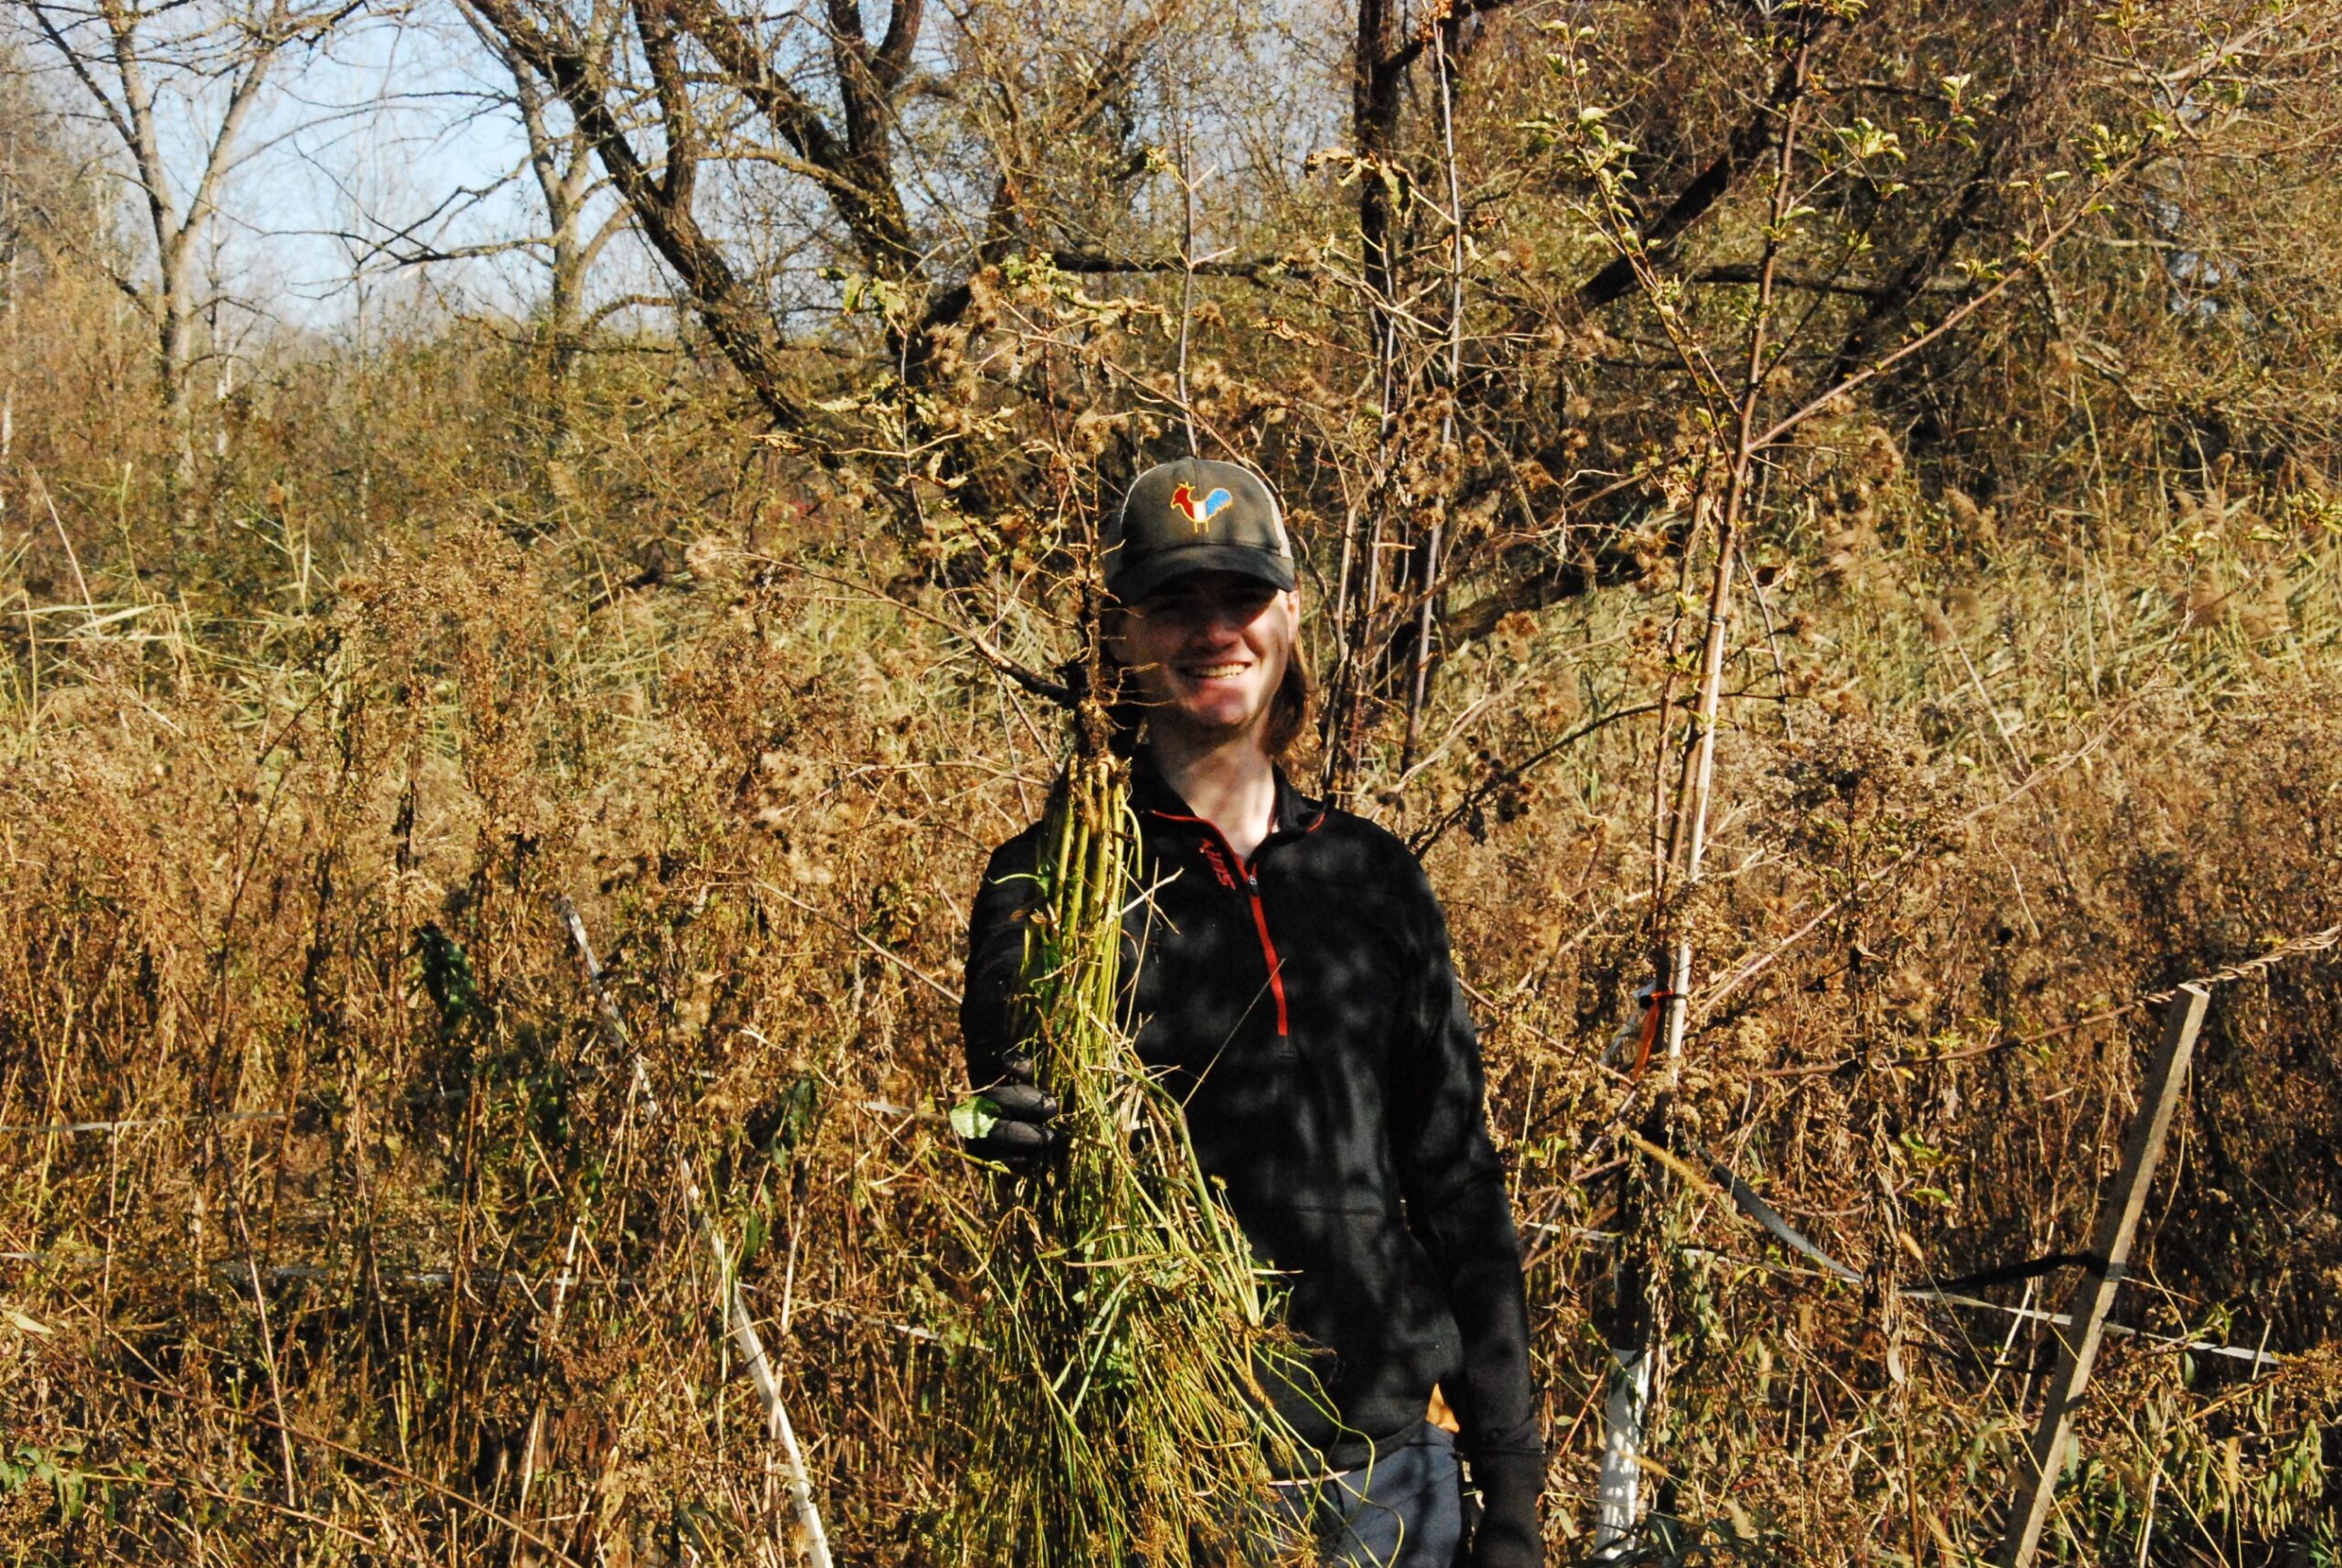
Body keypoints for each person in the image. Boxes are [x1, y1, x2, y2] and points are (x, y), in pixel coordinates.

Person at [958, 457, 1544, 1568]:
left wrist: (1508, 1486)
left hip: (1390, 1476)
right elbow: (993, 1124)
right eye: (1172, 604)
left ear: (1289, 617)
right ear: (1120, 637)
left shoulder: (1373, 875)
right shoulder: (1052, 882)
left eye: (1239, 599)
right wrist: (995, 1127)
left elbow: (1457, 1178)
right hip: (1172, 1476)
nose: (1211, 632)